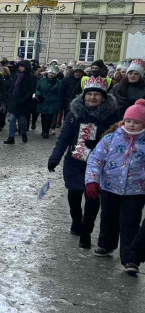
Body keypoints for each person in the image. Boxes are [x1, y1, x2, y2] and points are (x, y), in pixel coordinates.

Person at [48, 77, 119, 249]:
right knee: (73, 195)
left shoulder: (112, 116)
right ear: (84, 96)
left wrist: (99, 144)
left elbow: (116, 140)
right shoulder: (74, 114)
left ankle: (86, 232)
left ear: (103, 97)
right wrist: (55, 157)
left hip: (97, 164)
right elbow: (64, 137)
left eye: (97, 94)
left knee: (92, 198)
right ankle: (76, 220)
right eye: (90, 94)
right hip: (74, 161)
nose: (93, 97)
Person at [85, 99, 145, 275]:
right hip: (110, 187)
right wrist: (92, 180)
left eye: (137, 122)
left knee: (130, 223)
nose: (132, 125)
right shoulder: (111, 138)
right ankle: (106, 244)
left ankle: (130, 259)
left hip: (136, 190)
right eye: (129, 121)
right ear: (123, 121)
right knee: (109, 217)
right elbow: (96, 159)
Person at [4, 60, 35, 144]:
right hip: (14, 101)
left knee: (22, 121)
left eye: (22, 66)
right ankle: (11, 137)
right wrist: (9, 95)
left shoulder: (31, 76)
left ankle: (23, 133)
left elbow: (31, 90)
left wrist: (24, 99)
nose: (20, 68)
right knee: (12, 119)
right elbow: (13, 86)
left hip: (23, 102)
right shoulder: (17, 75)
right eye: (19, 66)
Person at [35, 65, 63, 139]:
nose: (51, 74)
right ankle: (43, 130)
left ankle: (46, 132)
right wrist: (38, 94)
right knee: (43, 117)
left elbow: (60, 93)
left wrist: (57, 101)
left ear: (56, 74)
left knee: (49, 118)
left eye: (53, 73)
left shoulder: (59, 83)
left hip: (52, 103)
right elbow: (37, 89)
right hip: (43, 102)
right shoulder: (42, 80)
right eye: (50, 73)